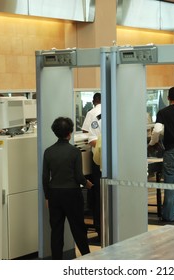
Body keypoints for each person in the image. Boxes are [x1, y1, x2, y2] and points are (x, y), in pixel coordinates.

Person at [42, 117, 93, 259]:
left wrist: (47, 196)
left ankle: (56, 261)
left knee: (56, 231)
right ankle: (87, 257)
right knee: (78, 228)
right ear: (70, 133)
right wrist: (88, 184)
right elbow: (78, 176)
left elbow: (45, 177)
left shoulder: (48, 152)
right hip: (72, 194)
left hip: (54, 194)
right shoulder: (74, 152)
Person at [148, 86, 174, 222]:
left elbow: (157, 131)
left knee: (170, 184)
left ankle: (169, 216)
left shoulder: (163, 112)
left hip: (170, 152)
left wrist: (152, 144)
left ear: (168, 98)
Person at [81, 93, 102, 242]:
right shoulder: (96, 116)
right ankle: (103, 229)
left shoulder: (92, 113)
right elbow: (91, 138)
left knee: (99, 195)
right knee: (100, 195)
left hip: (103, 161)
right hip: (103, 161)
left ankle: (102, 228)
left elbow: (88, 135)